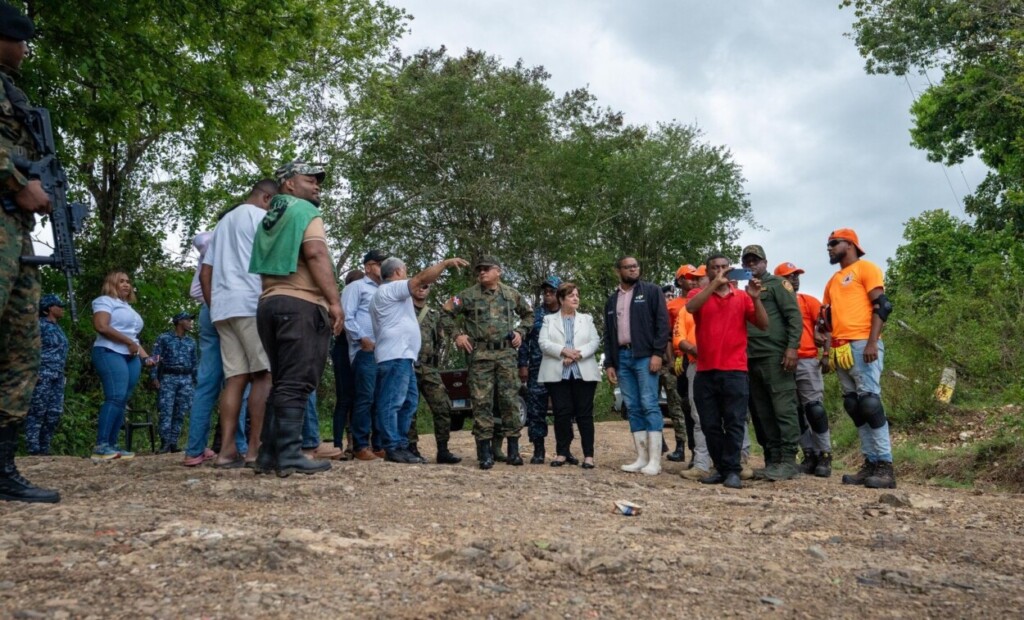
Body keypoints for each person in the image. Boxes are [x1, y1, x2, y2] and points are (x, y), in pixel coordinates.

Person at [249, 161, 343, 477]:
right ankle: (289, 455)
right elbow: (316, 254)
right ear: (289, 184)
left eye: (319, 181)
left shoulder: (271, 216)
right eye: (310, 180)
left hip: (269, 303)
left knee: (282, 381)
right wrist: (334, 301)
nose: (317, 185)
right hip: (300, 303)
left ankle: (268, 454)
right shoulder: (304, 211)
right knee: (298, 381)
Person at [0, 4, 59, 503]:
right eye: (19, 40)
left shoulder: (12, 93)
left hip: (15, 234)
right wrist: (18, 183)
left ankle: (2, 468)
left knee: (21, 346)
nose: (24, 50)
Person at [201, 179, 278, 468]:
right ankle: (255, 450)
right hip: (250, 304)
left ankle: (226, 451)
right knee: (263, 375)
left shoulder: (221, 225)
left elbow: (204, 274)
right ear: (267, 198)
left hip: (223, 309)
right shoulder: (262, 218)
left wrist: (215, 306)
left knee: (235, 378)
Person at [371, 256, 469, 463]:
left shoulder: (397, 296)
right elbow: (421, 279)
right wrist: (444, 264)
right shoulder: (390, 289)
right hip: (395, 356)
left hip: (405, 358)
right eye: (405, 271)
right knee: (392, 402)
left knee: (408, 403)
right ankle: (392, 447)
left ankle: (402, 445)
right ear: (398, 272)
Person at [685, 254, 768, 489]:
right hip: (705, 370)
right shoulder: (698, 295)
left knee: (734, 421)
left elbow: (763, 324)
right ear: (708, 272)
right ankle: (721, 468)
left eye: (724, 267)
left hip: (735, 370)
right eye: (715, 268)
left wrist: (756, 299)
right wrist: (713, 285)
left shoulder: (742, 297)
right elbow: (691, 308)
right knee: (710, 423)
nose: (720, 271)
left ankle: (733, 469)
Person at [822, 228, 896, 489]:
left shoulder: (866, 269)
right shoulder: (832, 281)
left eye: (834, 243)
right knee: (854, 405)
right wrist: (827, 351)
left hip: (863, 343)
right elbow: (828, 320)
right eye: (829, 244)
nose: (829, 247)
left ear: (850, 244)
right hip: (841, 349)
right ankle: (870, 462)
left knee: (870, 403)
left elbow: (882, 305)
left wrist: (873, 342)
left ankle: (885, 467)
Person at [445, 255, 532, 470]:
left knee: (510, 401)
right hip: (480, 356)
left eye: (486, 269)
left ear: (498, 271)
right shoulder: (466, 296)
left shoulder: (511, 294)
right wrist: (458, 335)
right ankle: (484, 453)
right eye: (478, 270)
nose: (481, 272)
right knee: (481, 403)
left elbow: (529, 315)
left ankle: (513, 451)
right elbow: (445, 314)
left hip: (506, 355)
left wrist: (521, 331)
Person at [740, 245, 803, 481]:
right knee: (761, 412)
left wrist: (791, 348)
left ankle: (788, 460)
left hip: (775, 356)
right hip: (750, 357)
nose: (751, 265)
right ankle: (772, 459)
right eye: (747, 262)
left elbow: (793, 317)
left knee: (783, 409)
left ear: (765, 262)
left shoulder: (778, 284)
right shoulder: (743, 290)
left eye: (755, 261)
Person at [603, 256, 670, 476]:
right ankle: (641, 457)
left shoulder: (651, 291)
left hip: (645, 355)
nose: (633, 269)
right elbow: (609, 334)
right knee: (632, 406)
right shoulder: (611, 301)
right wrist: (609, 363)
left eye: (635, 266)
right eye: (628, 267)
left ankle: (654, 460)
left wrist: (658, 353)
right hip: (622, 357)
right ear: (618, 271)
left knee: (649, 402)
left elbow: (663, 323)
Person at [91, 271, 158, 461]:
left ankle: (113, 445)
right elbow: (101, 326)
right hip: (109, 351)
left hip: (131, 357)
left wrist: (146, 358)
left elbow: (134, 339)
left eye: (128, 281)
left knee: (123, 400)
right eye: (121, 281)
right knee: (115, 397)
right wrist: (128, 343)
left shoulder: (128, 308)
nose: (126, 284)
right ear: (111, 284)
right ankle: (101, 445)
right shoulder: (104, 301)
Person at [775, 261, 833, 477]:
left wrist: (827, 354)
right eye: (790, 276)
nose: (795, 279)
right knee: (794, 412)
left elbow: (827, 326)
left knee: (814, 410)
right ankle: (808, 454)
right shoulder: (773, 304)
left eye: (797, 275)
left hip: (807, 359)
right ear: (780, 281)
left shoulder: (807, 301)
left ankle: (824, 455)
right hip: (781, 364)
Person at [538, 282, 601, 468]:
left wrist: (576, 354)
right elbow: (543, 343)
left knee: (585, 415)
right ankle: (562, 453)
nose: (576, 298)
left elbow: (594, 341)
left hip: (583, 371)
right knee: (561, 414)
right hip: (558, 373)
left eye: (577, 295)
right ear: (561, 299)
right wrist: (564, 351)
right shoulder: (549, 320)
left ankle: (588, 456)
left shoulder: (587, 319)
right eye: (571, 295)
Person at [342, 250, 387, 460]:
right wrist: (362, 339)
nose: (383, 267)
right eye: (379, 263)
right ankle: (360, 446)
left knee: (381, 399)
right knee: (365, 399)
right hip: (365, 351)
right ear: (368, 267)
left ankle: (378, 445)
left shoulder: (386, 289)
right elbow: (347, 317)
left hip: (384, 351)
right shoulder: (356, 287)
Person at [409, 282, 461, 463]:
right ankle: (411, 448)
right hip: (409, 366)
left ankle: (443, 449)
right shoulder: (403, 310)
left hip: (429, 367)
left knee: (443, 406)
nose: (422, 288)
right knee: (410, 408)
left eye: (426, 286)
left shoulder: (433, 315)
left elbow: (440, 339)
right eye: (419, 285)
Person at [673, 268, 717, 480]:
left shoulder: (730, 299)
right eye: (694, 278)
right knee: (698, 415)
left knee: (731, 415)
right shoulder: (685, 308)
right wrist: (691, 350)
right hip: (696, 364)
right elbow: (677, 337)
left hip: (726, 365)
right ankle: (701, 462)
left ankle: (734, 462)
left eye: (701, 277)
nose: (698, 281)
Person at [519, 275, 561, 464]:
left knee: (563, 410)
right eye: (545, 292)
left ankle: (563, 450)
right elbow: (524, 341)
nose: (547, 295)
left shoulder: (567, 314)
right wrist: (523, 364)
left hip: (562, 368)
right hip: (537, 368)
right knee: (536, 410)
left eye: (552, 292)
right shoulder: (535, 315)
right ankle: (538, 449)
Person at [24, 294, 69, 456]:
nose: (62, 309)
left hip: (58, 374)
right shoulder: (39, 326)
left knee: (54, 412)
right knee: (38, 410)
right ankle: (33, 447)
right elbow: (29, 349)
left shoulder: (57, 327)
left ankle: (44, 446)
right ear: (50, 308)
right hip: (42, 373)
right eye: (59, 305)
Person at [150, 312, 198, 453]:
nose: (190, 322)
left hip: (186, 379)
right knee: (166, 410)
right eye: (187, 320)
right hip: (168, 377)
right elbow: (155, 359)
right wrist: (154, 377)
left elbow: (195, 362)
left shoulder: (191, 341)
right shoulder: (164, 338)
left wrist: (196, 381)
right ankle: (164, 443)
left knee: (180, 412)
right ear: (179, 321)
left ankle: (173, 443)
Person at [331, 268, 364, 458]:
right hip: (344, 351)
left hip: (360, 351)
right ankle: (338, 444)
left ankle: (357, 442)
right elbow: (335, 327)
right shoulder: (340, 301)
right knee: (345, 398)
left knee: (361, 399)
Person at [664, 265, 696, 462]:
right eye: (688, 277)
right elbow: (666, 335)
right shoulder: (672, 305)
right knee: (678, 404)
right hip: (679, 358)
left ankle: (699, 451)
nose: (692, 280)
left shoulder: (703, 299)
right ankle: (681, 445)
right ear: (679, 280)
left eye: (695, 277)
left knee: (696, 405)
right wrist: (670, 360)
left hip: (701, 357)